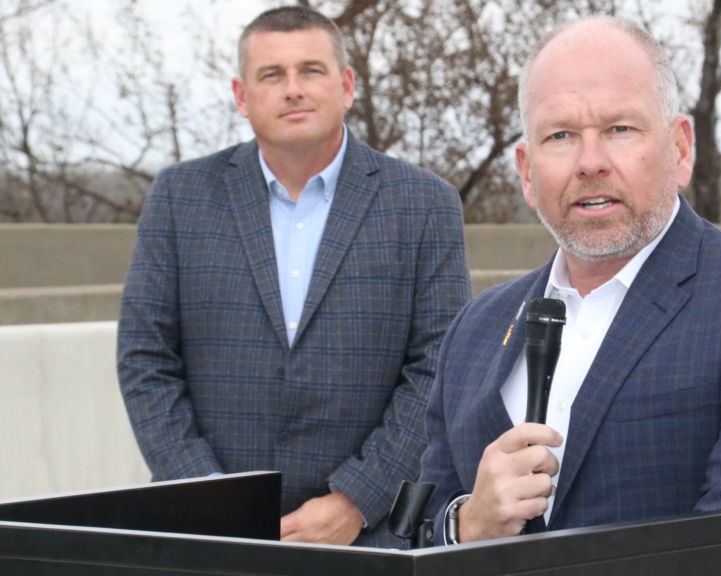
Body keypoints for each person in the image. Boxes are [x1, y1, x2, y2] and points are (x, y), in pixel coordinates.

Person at [418, 17, 721, 575]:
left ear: (679, 148)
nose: (590, 161)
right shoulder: (476, 328)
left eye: (620, 129)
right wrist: (467, 527)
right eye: (560, 136)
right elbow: (413, 530)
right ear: (527, 173)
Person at [117, 6, 470, 548]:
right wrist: (208, 495)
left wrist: (357, 499)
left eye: (311, 70)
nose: (293, 90)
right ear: (242, 96)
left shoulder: (425, 204)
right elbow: (146, 358)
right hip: (210, 533)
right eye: (272, 75)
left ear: (346, 86)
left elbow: (439, 368)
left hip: (369, 534)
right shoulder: (178, 198)